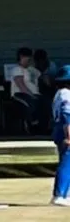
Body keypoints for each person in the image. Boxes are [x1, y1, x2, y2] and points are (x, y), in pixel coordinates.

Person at [50, 65, 70, 206]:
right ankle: (60, 194)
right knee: (66, 162)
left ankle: (64, 193)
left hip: (59, 129)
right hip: (65, 129)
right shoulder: (66, 94)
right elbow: (67, 116)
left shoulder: (59, 93)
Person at [7, 46, 40, 129]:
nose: (29, 60)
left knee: (45, 103)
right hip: (21, 94)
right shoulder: (17, 69)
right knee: (31, 104)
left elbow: (41, 76)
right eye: (28, 58)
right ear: (21, 57)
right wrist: (31, 94)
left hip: (35, 93)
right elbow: (21, 85)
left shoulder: (32, 69)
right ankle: (31, 124)